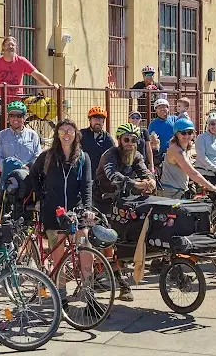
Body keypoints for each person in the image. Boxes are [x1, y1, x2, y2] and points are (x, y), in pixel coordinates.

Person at [29, 119, 94, 295]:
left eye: (70, 131)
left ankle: (89, 294)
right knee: (58, 255)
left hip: (77, 211)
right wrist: (42, 197)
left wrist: (87, 208)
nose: (66, 134)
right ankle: (62, 294)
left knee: (85, 250)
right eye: (62, 131)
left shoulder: (83, 158)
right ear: (57, 134)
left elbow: (87, 185)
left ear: (76, 134)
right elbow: (33, 175)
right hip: (54, 212)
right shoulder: (47, 156)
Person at [94, 122, 157, 301]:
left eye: (134, 140)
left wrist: (150, 180)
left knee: (122, 241)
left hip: (122, 201)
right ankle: (120, 283)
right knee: (108, 243)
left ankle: (102, 274)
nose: (130, 143)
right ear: (119, 140)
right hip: (102, 201)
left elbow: (144, 171)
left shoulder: (136, 155)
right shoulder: (110, 155)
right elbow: (113, 176)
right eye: (126, 139)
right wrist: (136, 183)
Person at [0, 101, 42, 215]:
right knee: (4, 214)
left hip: (28, 180)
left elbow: (37, 157)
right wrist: (9, 170)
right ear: (8, 117)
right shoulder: (1, 135)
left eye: (19, 115)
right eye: (12, 115)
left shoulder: (33, 135)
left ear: (24, 117)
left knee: (28, 215)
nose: (15, 118)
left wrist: (26, 169)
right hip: (8, 181)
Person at [158, 118, 216, 199]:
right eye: (183, 133)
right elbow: (192, 173)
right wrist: (212, 187)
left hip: (180, 190)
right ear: (177, 134)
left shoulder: (186, 148)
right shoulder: (176, 150)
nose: (187, 136)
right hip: (171, 192)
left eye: (190, 132)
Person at [0, 36, 57, 100]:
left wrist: (50, 85)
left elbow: (36, 74)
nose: (10, 47)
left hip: (16, 101)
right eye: (8, 44)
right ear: (3, 47)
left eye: (13, 45)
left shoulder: (22, 61)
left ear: (16, 48)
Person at [80, 106, 115, 176]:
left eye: (101, 119)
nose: (98, 122)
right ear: (90, 120)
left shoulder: (107, 137)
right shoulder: (81, 134)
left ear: (103, 122)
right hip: (83, 174)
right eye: (95, 118)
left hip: (101, 176)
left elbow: (114, 155)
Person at [194, 113, 216, 184]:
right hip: (204, 174)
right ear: (208, 125)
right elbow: (202, 157)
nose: (215, 126)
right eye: (212, 124)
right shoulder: (201, 137)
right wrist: (215, 169)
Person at [148, 98, 177, 166]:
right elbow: (149, 139)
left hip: (175, 152)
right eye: (159, 107)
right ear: (156, 110)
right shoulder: (153, 124)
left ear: (168, 108)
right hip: (160, 154)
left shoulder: (175, 119)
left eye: (164, 107)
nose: (162, 109)